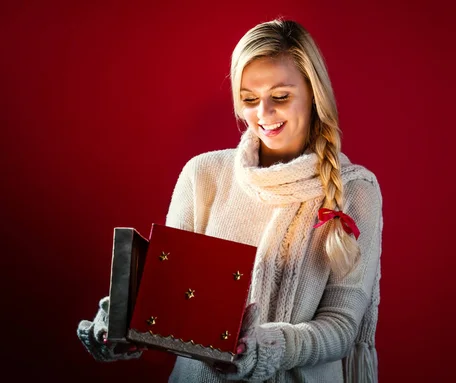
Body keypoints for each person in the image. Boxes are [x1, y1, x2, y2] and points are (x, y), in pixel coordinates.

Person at [77, 18, 383, 383]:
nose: (263, 115)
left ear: (314, 93)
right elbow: (169, 295)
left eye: (281, 97)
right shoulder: (203, 174)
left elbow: (341, 326)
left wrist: (266, 348)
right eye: (249, 100)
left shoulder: (356, 190)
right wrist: (122, 319)